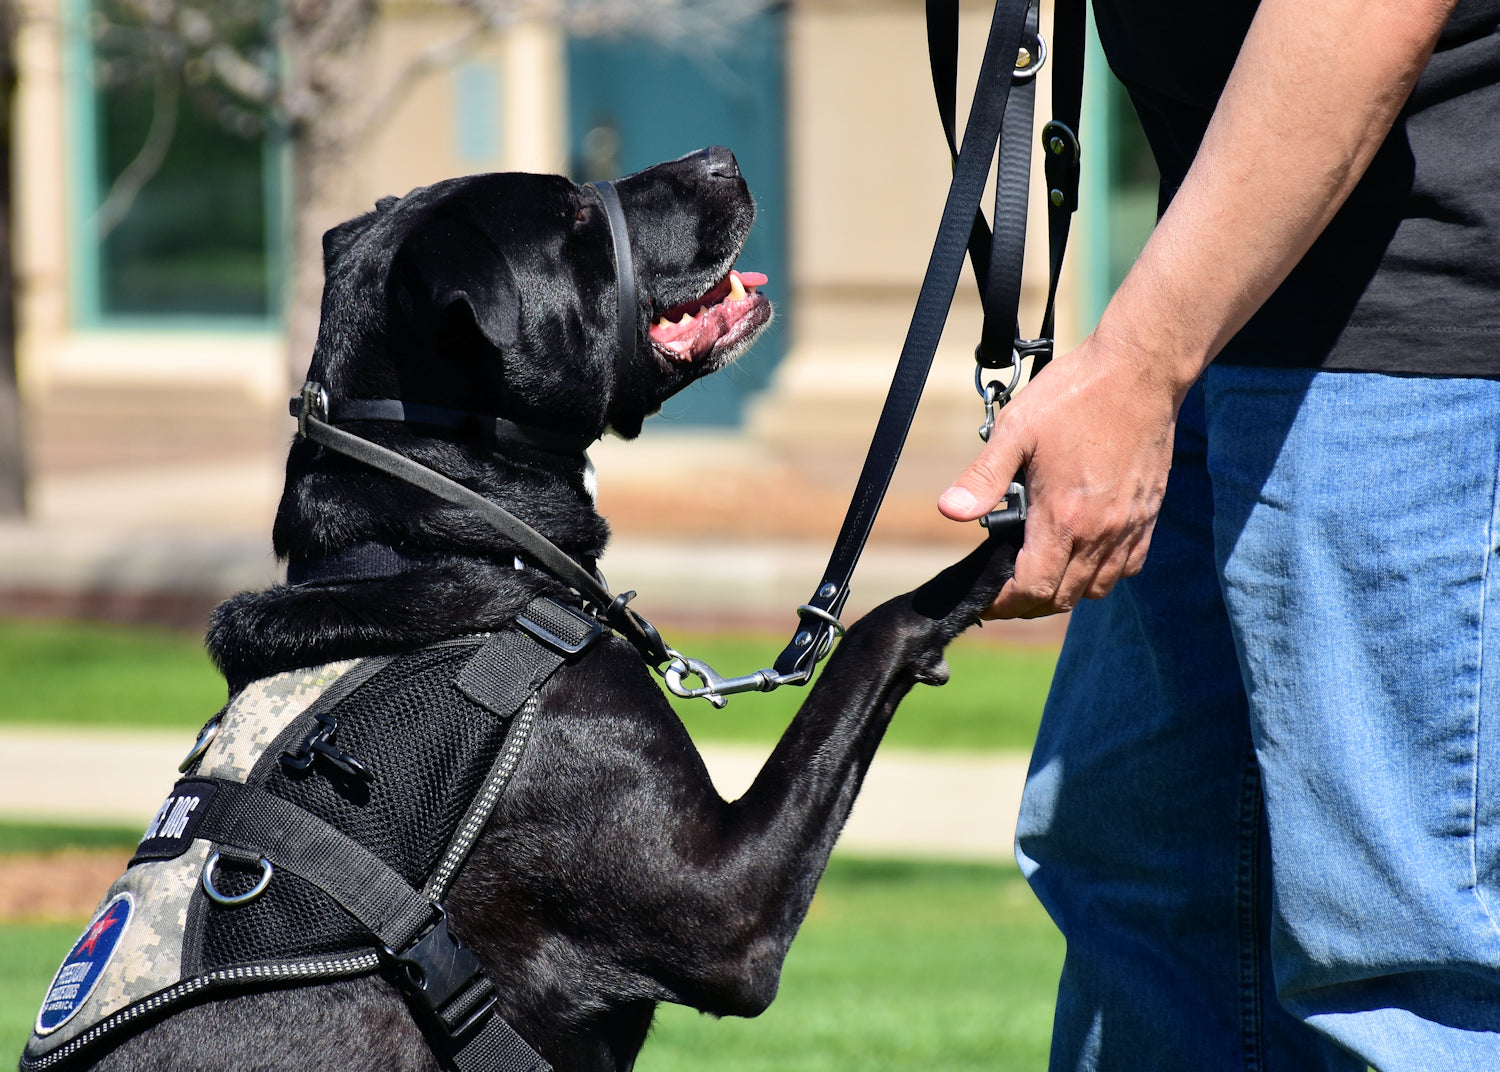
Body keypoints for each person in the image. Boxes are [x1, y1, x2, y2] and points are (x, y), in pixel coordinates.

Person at [937, 0, 1500, 1068]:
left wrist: (1138, 365)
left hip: (1415, 336)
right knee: (1147, 900)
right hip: (1224, 310)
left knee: (1398, 964)